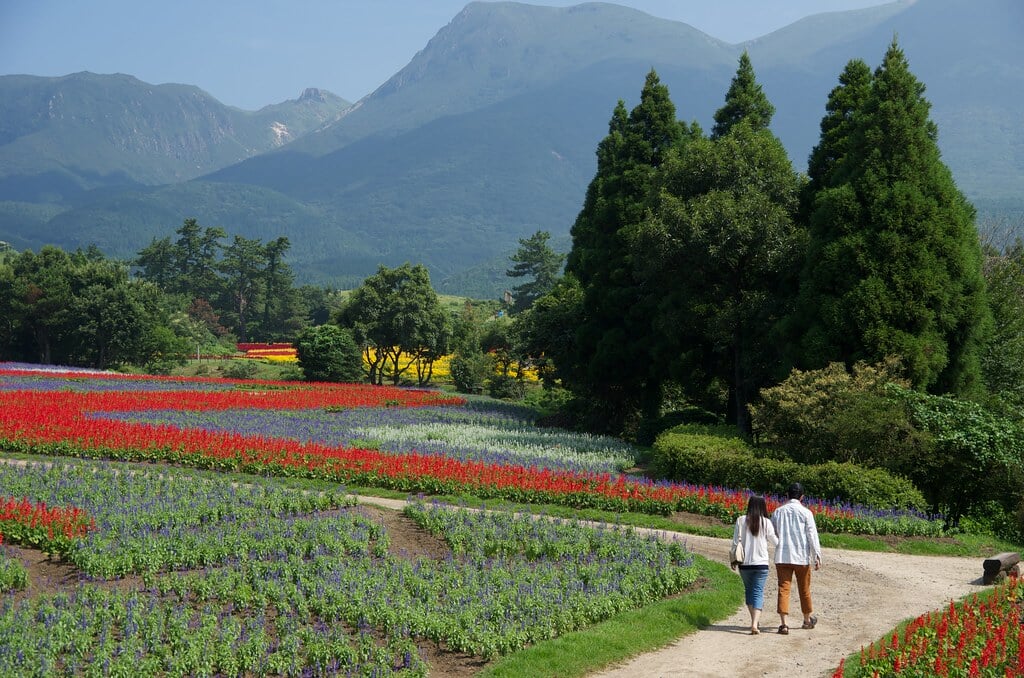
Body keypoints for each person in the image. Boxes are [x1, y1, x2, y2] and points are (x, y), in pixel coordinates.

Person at [772, 481, 822, 635]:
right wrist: (817, 555)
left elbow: (773, 533)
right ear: (802, 497)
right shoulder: (806, 513)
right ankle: (807, 620)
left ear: (787, 495)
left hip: (783, 556)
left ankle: (784, 624)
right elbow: (812, 535)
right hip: (801, 557)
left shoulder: (778, 512)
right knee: (804, 588)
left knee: (783, 588)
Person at [731, 494, 779, 635]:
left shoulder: (740, 520)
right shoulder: (766, 522)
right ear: (762, 506)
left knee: (749, 591)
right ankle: (754, 624)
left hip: (744, 563)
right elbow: (776, 542)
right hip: (761, 563)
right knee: (758, 591)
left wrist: (733, 560)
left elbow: (735, 542)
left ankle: (754, 621)